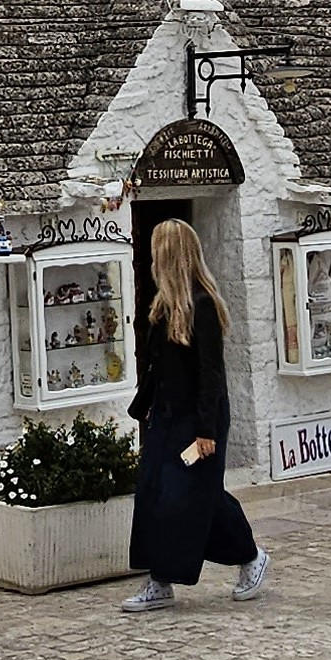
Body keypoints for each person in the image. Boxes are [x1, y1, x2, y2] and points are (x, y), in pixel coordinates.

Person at [121, 216, 268, 607]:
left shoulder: (201, 306)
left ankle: (250, 557)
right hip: (165, 416)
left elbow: (210, 373)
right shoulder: (163, 306)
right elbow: (159, 366)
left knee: (195, 496)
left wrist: (206, 430)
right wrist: (147, 408)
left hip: (197, 418)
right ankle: (160, 580)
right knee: (155, 494)